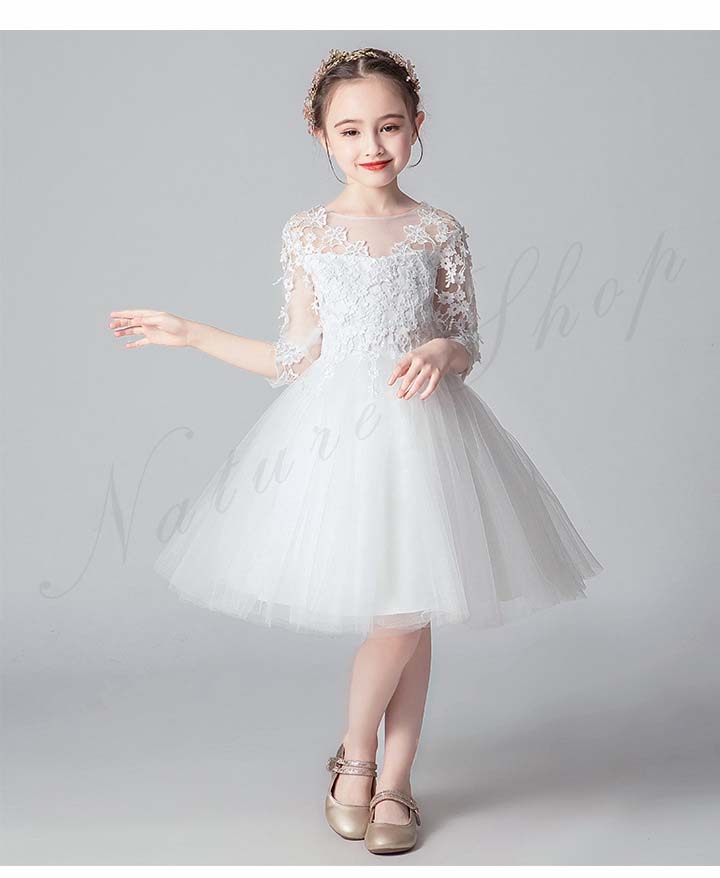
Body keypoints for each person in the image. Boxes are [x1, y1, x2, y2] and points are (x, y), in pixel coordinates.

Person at [108, 47, 604, 855]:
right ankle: (370, 765)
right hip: (340, 440)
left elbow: (466, 339)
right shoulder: (309, 233)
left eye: (389, 125)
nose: (372, 144)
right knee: (403, 613)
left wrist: (442, 351)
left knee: (411, 610)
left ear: (417, 126)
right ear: (320, 136)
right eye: (350, 130)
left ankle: (378, 771)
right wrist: (191, 333)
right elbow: (295, 357)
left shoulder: (438, 229)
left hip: (428, 431)